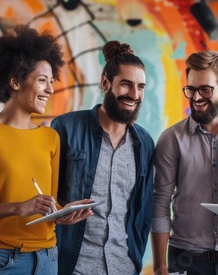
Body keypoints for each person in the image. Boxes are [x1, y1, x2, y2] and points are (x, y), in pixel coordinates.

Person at [0, 25, 93, 275]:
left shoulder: (51, 138)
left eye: (51, 81)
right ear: (15, 81)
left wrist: (62, 215)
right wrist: (18, 207)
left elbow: (45, 204)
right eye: (42, 80)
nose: (50, 89)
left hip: (48, 257)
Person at [50, 40, 155, 275]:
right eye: (126, 85)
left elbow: (144, 211)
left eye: (141, 86)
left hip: (123, 265)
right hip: (72, 266)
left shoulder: (145, 143)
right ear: (106, 83)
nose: (134, 94)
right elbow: (45, 196)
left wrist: (136, 255)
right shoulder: (66, 128)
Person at [152, 50, 218, 275]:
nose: (196, 98)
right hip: (185, 260)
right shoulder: (171, 139)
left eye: (205, 90)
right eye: (191, 89)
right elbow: (161, 204)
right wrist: (160, 267)